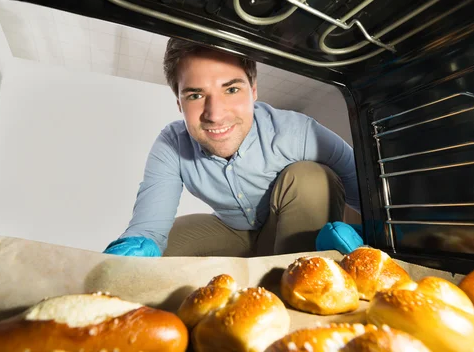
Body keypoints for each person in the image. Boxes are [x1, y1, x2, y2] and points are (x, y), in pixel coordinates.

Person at [104, 38, 363, 258]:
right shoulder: (171, 143)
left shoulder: (297, 131)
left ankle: (296, 280)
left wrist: (374, 234)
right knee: (158, 252)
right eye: (195, 95)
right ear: (180, 104)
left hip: (291, 229)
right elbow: (149, 226)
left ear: (253, 91)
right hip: (230, 230)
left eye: (231, 89)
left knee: (312, 177)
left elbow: (364, 193)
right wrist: (135, 250)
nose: (215, 115)